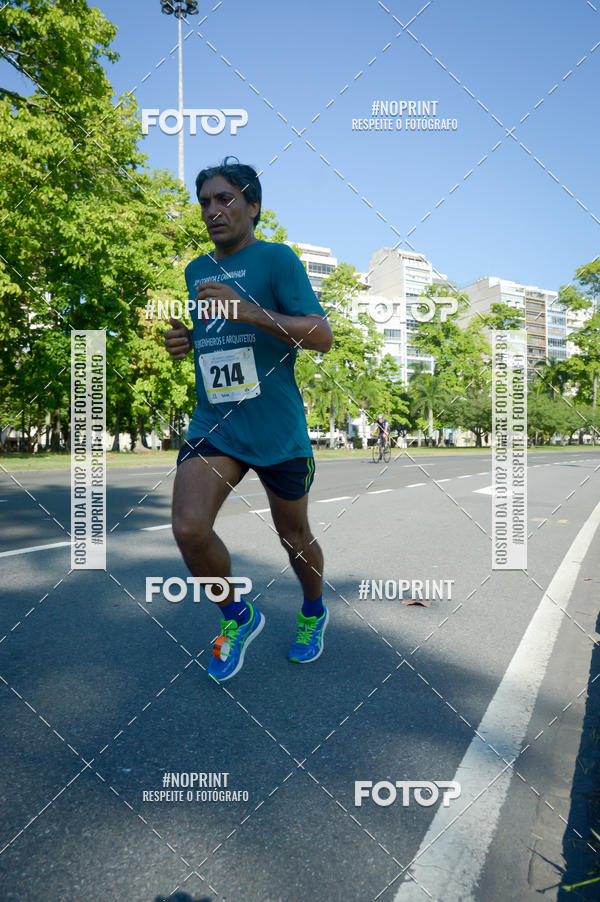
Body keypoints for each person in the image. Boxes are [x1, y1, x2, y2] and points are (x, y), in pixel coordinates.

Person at [164, 157, 333, 682]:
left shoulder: (278, 261)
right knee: (189, 527)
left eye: (225, 199)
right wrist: (188, 341)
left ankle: (312, 611)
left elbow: (321, 337)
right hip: (216, 423)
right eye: (206, 202)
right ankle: (238, 615)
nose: (213, 210)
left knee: (294, 534)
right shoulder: (196, 271)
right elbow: (218, 340)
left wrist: (249, 310)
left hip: (276, 428)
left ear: (253, 206)